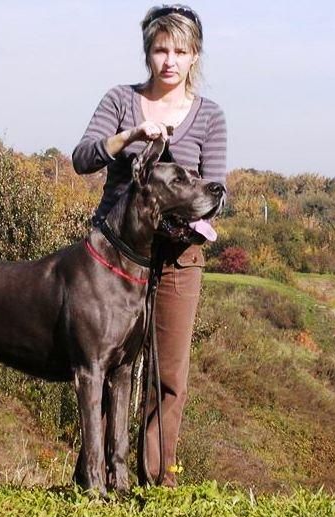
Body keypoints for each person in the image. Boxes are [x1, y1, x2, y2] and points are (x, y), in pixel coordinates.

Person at [72, 4, 227, 486]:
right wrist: (130, 136)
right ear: (148, 52)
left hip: (179, 258)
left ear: (194, 55)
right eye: (161, 49)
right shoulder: (121, 100)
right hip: (112, 260)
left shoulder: (210, 116)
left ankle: (157, 480)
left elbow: (214, 193)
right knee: (104, 365)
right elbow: (82, 158)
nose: (169, 60)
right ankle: (96, 477)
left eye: (180, 51)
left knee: (168, 377)